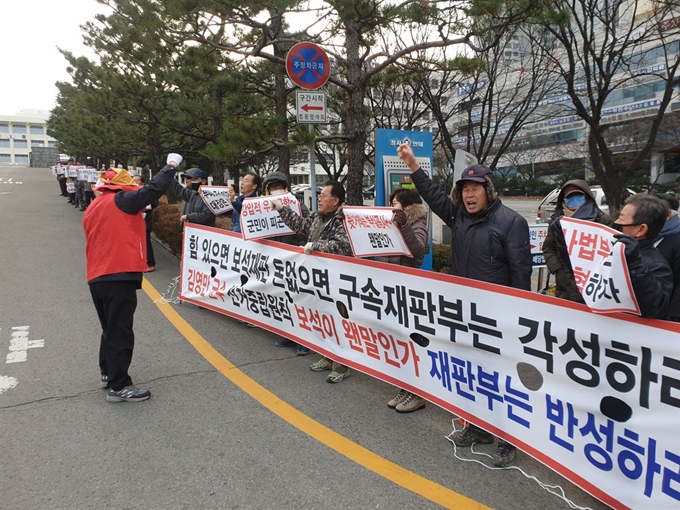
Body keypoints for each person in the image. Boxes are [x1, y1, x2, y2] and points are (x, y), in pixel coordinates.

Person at [398, 142, 532, 467]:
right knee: (471, 375)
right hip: (463, 314)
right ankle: (476, 427)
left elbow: (521, 272)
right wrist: (414, 165)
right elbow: (432, 194)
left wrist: (520, 316)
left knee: (500, 379)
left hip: (497, 317)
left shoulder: (511, 222)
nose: (469, 195)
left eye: (476, 188)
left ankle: (507, 441)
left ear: (488, 191)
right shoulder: (457, 215)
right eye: (465, 189)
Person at [83, 153, 183, 403]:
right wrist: (171, 165)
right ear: (123, 187)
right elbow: (153, 189)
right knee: (120, 331)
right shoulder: (121, 200)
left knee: (110, 328)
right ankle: (119, 386)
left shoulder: (95, 205)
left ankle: (108, 372)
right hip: (118, 273)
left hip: (98, 275)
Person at [270, 181, 354, 383]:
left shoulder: (344, 219)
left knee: (339, 320)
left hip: (338, 280)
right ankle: (327, 355)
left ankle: (341, 366)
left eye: (323, 196)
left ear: (335, 201)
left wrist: (314, 246)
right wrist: (282, 209)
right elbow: (302, 226)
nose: (319, 198)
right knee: (323, 317)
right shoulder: (318, 216)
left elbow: (343, 246)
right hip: (319, 280)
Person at [383, 187, 429, 413]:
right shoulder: (388, 223)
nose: (392, 207)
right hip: (390, 289)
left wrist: (405, 226)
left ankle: (417, 393)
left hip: (408, 291)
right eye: (391, 203)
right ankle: (405, 386)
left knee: (411, 342)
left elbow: (419, 250)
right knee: (397, 341)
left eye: (396, 203)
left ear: (408, 207)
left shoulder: (417, 223)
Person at [263, 171, 311, 354]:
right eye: (273, 188)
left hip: (294, 260)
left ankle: (304, 340)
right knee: (282, 298)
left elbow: (307, 227)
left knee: (299, 299)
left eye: (280, 187)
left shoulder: (297, 205)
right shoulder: (260, 208)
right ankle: (289, 334)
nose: (277, 191)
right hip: (275, 259)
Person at [543, 180, 613, 303]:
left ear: (587, 197)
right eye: (570, 197)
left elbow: (611, 251)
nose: (574, 200)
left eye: (578, 196)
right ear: (563, 200)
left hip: (594, 283)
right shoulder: (557, 221)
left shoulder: (603, 220)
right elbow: (548, 247)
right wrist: (558, 269)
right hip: (564, 284)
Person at [613, 194, 673, 319]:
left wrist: (636, 266)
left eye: (622, 219)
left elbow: (655, 308)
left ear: (640, 229)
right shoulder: (615, 249)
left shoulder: (655, 265)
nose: (616, 223)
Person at [654, 193, 680, 321]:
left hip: (667, 314)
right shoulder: (644, 233)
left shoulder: (677, 240)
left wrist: (673, 316)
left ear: (669, 214)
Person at [133, 174, 159, 272]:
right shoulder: (129, 191)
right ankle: (139, 262)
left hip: (145, 220)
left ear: (142, 182)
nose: (135, 183)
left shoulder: (147, 192)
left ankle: (150, 263)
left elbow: (156, 203)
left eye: (137, 181)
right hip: (133, 220)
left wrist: (148, 204)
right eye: (133, 180)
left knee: (146, 242)